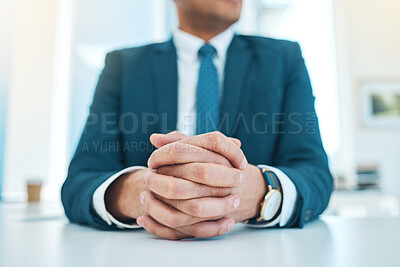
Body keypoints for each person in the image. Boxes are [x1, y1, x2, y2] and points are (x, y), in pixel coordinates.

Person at [61, 0, 333, 240]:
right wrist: (141, 193)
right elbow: (80, 181)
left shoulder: (284, 59)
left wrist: (260, 191)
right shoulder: (123, 66)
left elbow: (315, 174)